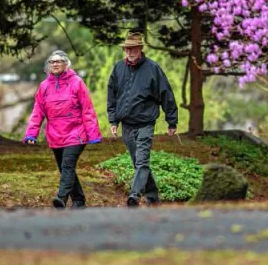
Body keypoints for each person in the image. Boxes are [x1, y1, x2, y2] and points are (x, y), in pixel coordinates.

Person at [107, 32, 179, 207]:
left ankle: (135, 195)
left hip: (146, 123)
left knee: (142, 161)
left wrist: (172, 121)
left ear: (140, 49)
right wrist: (113, 120)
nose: (129, 52)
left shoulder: (153, 68)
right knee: (138, 162)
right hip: (127, 124)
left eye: (133, 48)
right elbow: (112, 95)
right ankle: (153, 196)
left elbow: (166, 94)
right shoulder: (118, 68)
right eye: (127, 49)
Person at [23, 50, 101, 210]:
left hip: (76, 133)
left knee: (67, 166)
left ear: (66, 64)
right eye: (52, 62)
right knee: (66, 169)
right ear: (48, 66)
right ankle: (79, 202)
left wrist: (93, 134)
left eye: (59, 61)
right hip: (55, 135)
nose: (55, 64)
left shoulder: (77, 82)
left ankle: (61, 198)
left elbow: (87, 109)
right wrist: (31, 133)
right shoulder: (44, 87)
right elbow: (38, 111)